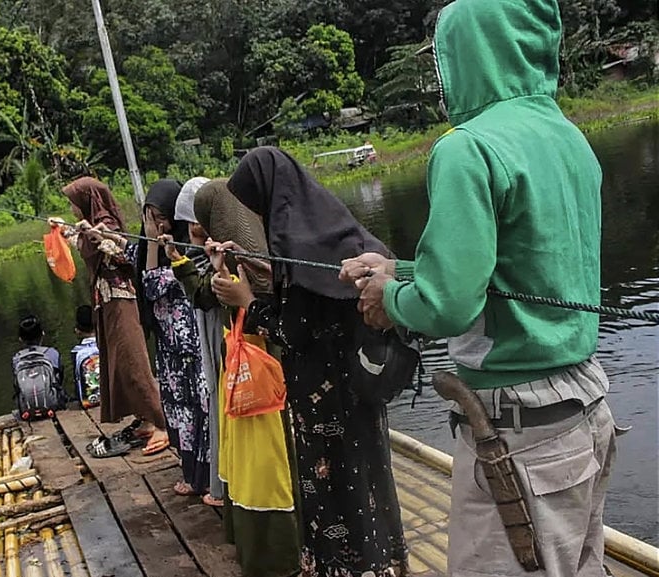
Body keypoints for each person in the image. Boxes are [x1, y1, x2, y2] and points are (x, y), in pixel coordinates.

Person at [340, 1, 615, 576]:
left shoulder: (467, 146)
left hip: (519, 436)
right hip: (586, 408)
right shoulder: (566, 135)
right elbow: (516, 273)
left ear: (468, 53)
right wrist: (402, 272)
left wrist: (388, 300)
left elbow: (448, 304)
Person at [214, 147, 408, 577]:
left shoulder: (301, 251)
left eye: (259, 208)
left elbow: (294, 332)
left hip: (324, 409)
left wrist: (246, 300)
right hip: (362, 395)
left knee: (334, 497)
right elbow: (315, 303)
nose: (261, 219)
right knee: (370, 483)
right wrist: (259, 267)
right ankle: (383, 563)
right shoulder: (334, 233)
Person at [165, 177, 300, 577]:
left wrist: (230, 284)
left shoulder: (259, 260)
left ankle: (277, 554)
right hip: (244, 374)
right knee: (250, 463)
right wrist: (216, 267)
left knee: (264, 467)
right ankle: (263, 548)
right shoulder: (246, 253)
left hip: (258, 379)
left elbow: (226, 297)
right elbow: (210, 291)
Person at [61, 177, 170, 457]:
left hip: (121, 299)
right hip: (106, 301)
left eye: (74, 203)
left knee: (133, 362)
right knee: (118, 363)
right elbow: (86, 247)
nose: (73, 208)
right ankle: (145, 418)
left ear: (86, 200)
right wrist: (68, 231)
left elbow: (125, 255)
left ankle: (161, 423)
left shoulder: (106, 223)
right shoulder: (90, 222)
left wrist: (99, 237)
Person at [132, 179, 210, 496]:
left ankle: (209, 477)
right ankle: (192, 475)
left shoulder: (192, 251)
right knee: (181, 412)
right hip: (170, 352)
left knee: (202, 410)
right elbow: (146, 284)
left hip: (193, 347)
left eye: (161, 216)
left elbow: (153, 283)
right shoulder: (151, 247)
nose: (158, 224)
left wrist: (158, 245)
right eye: (150, 218)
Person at [174, 176, 225, 507]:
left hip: (229, 342)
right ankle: (223, 481)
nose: (193, 227)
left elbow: (205, 295)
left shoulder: (227, 248)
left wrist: (181, 263)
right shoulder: (201, 252)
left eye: (196, 218)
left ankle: (225, 485)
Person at [11, 314, 66, 419]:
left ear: (20, 339)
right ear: (42, 334)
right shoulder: (52, 353)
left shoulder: (16, 359)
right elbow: (59, 380)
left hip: (27, 411)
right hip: (53, 407)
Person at [71, 305, 101, 408]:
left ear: (77, 331)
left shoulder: (76, 352)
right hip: (111, 399)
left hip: (88, 402)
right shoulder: (107, 347)